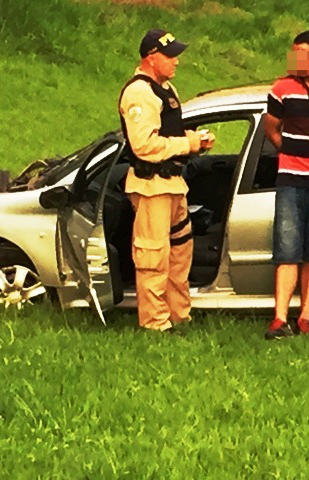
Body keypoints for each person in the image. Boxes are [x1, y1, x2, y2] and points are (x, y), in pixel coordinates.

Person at [118, 29, 215, 334]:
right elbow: (144, 146)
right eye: (170, 56)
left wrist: (195, 141)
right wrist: (189, 144)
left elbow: (169, 133)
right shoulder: (139, 93)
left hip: (173, 184)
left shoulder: (165, 88)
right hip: (151, 187)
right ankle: (155, 322)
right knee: (153, 257)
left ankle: (178, 314)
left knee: (180, 252)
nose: (176, 62)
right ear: (151, 58)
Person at [264, 30, 309, 340]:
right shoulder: (283, 89)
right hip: (290, 180)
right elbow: (271, 127)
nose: (295, 60)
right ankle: (280, 319)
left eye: (302, 54)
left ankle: (305, 316)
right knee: (286, 249)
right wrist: (289, 152)